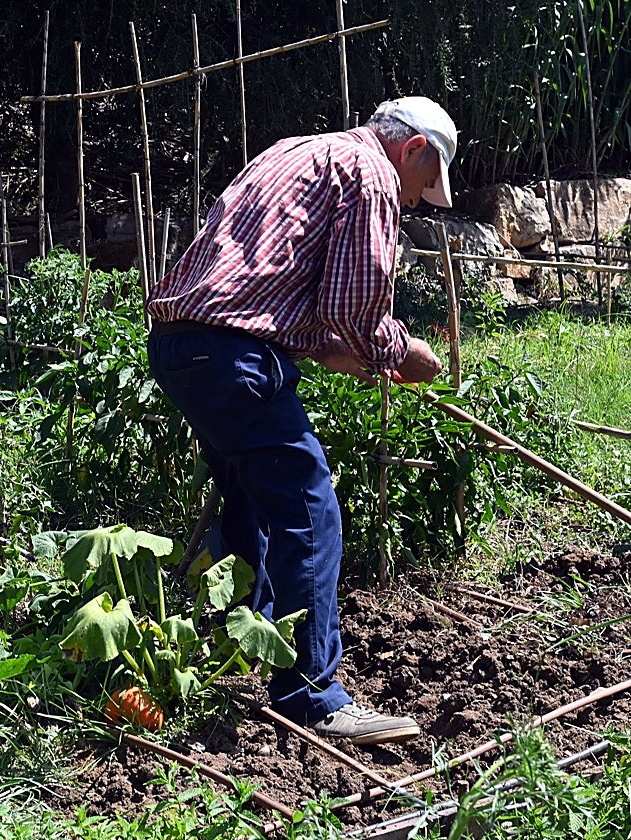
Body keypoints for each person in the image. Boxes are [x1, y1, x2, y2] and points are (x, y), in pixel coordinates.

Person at [146, 96, 455, 746]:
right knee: (311, 509)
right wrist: (404, 353)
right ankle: (312, 695)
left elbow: (279, 301)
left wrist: (358, 358)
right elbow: (352, 306)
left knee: (252, 502)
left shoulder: (299, 151)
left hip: (184, 347)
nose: (417, 202)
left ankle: (241, 649)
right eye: (424, 187)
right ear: (414, 150)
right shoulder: (370, 175)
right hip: (233, 356)